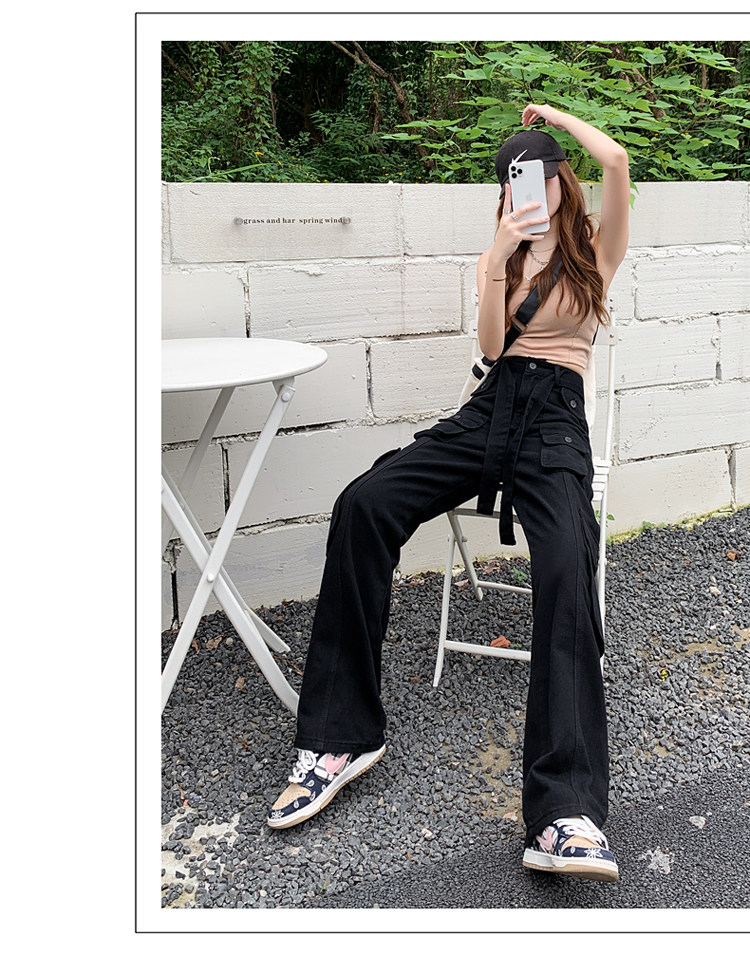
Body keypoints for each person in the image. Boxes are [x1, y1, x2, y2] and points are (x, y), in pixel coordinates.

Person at [267, 103, 630, 884]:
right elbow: (493, 348)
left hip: (556, 424)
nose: (528, 192)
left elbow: (618, 162)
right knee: (363, 503)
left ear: (561, 180)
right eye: (512, 182)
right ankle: (340, 738)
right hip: (488, 411)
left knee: (566, 561)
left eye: (539, 176)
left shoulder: (595, 251)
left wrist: (552, 117)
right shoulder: (498, 257)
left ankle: (565, 810)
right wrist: (497, 258)